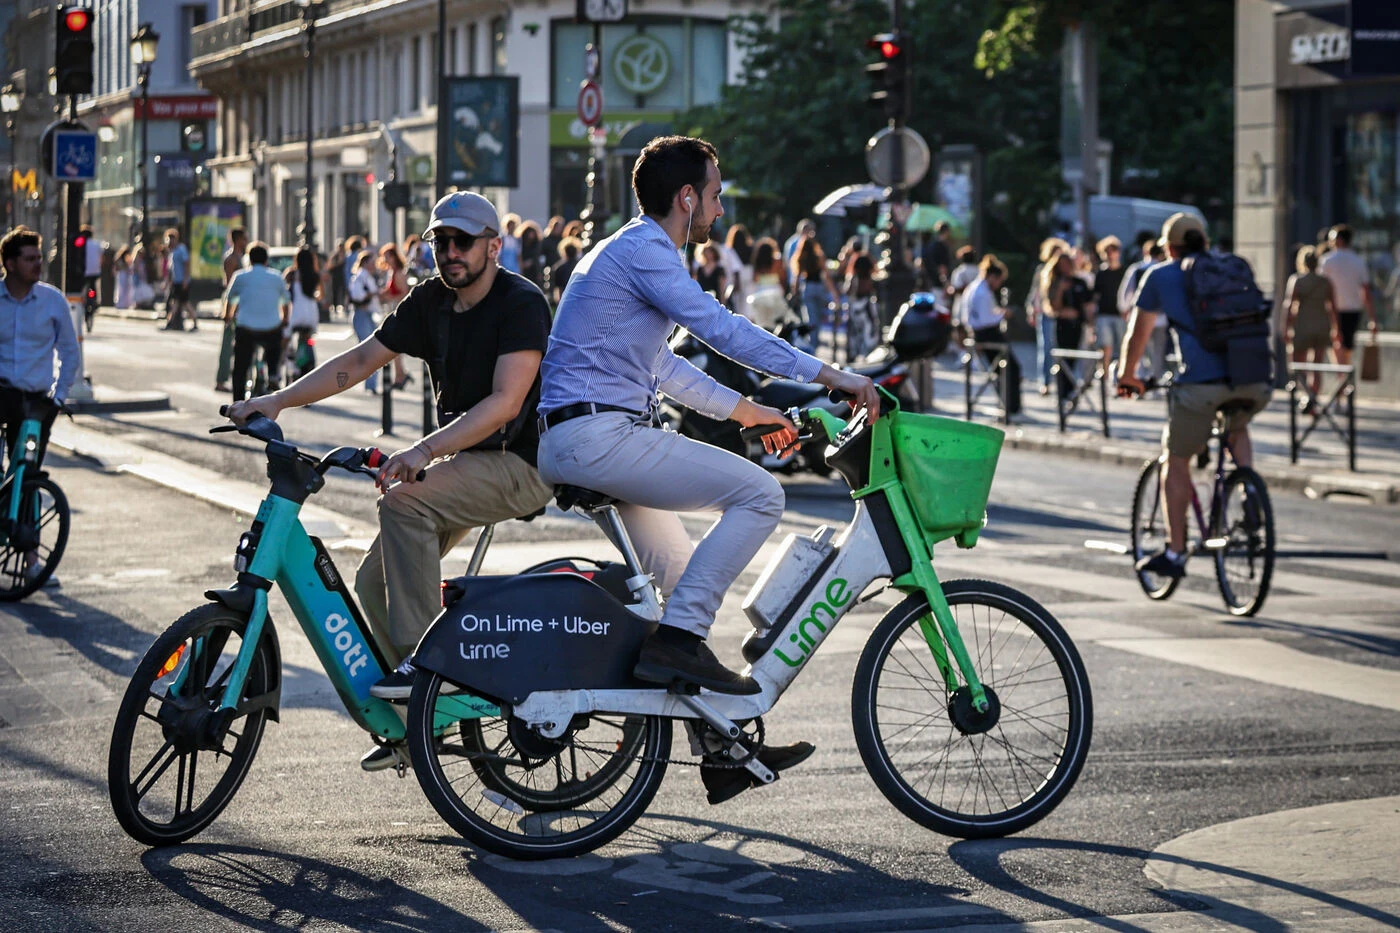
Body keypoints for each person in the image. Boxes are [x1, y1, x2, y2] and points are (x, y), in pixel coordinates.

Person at [535, 135, 879, 805]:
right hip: (598, 434)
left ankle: (720, 747)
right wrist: (832, 376)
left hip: (588, 432)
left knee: (679, 570)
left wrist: (747, 410)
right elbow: (723, 331)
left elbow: (663, 366)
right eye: (716, 195)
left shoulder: (627, 251)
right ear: (686, 197)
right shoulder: (646, 251)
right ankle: (682, 640)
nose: (720, 210)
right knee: (759, 493)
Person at [227, 192, 555, 772]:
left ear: (493, 246)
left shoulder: (520, 302)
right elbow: (357, 362)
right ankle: (417, 723)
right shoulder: (431, 301)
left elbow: (506, 403)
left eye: (462, 241)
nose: (450, 252)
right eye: (439, 242)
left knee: (403, 505)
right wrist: (275, 401)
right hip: (465, 463)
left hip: (520, 465)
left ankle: (426, 673)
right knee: (371, 578)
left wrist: (425, 450)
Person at [1117, 213, 1273, 579]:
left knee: (1176, 460)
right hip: (1254, 379)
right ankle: (1248, 491)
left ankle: (1174, 552)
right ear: (1205, 240)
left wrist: (1128, 377)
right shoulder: (1232, 266)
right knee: (1236, 426)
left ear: (1169, 247)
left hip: (1201, 386)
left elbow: (1138, 335)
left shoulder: (1161, 274)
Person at [0, 228, 80, 586]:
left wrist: (58, 399)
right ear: (10, 264)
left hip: (34, 401)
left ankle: (32, 560)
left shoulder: (52, 301)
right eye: (30, 259)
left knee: (28, 476)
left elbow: (69, 352)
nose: (38, 265)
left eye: (39, 258)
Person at [223, 242, 291, 402]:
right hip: (271, 328)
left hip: (246, 328)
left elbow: (230, 300)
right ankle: (273, 373)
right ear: (266, 260)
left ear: (249, 259)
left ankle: (237, 404)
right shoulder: (276, 276)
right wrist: (284, 320)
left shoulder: (240, 276)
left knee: (240, 368)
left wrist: (227, 317)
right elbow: (286, 303)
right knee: (274, 349)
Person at [964, 254, 1021, 416]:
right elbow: (984, 319)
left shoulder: (977, 288)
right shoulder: (981, 292)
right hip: (986, 333)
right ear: (991, 277)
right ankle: (1011, 405)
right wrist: (1003, 314)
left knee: (1002, 369)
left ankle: (1008, 403)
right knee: (1009, 368)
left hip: (982, 332)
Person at [1282, 245, 1337, 404]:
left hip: (1302, 325)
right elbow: (1332, 307)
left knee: (1299, 364)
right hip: (1322, 325)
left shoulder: (1297, 280)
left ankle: (1307, 395)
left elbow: (1289, 305)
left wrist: (1286, 327)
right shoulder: (1325, 282)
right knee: (1317, 365)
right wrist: (1336, 329)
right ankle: (1313, 397)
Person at [1318, 224, 1377, 367]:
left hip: (1332, 309)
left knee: (1337, 345)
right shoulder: (1359, 261)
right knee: (1346, 346)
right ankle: (1344, 377)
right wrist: (1372, 318)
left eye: (1332, 239)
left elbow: (1320, 288)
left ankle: (1342, 378)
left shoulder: (1327, 260)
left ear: (1339, 240)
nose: (1330, 243)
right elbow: (1366, 292)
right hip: (1353, 309)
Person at [1040, 245, 1094, 396]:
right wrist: (1060, 290)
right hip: (1061, 325)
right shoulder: (1055, 282)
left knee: (1077, 357)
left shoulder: (1079, 282)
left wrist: (1091, 324)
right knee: (1061, 358)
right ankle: (1063, 390)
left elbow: (1088, 304)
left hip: (1078, 325)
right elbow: (1052, 307)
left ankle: (1075, 387)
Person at [791, 236, 840, 355]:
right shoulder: (819, 257)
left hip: (808, 288)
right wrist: (834, 294)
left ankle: (812, 347)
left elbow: (797, 278)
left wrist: (794, 293)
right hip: (819, 289)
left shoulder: (801, 258)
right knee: (817, 319)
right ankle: (814, 345)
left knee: (811, 319)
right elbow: (827, 276)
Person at [215, 227, 249, 393]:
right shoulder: (231, 259)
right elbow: (230, 287)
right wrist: (231, 310)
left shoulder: (240, 257)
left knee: (239, 343)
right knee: (228, 343)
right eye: (244, 238)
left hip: (240, 303)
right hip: (233, 304)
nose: (246, 240)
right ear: (237, 240)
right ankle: (221, 380)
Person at [283, 246, 322, 384]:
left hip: (296, 313)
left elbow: (283, 292)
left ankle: (288, 365)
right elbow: (320, 295)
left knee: (286, 341)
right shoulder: (315, 275)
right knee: (308, 339)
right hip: (311, 315)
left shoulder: (292, 274)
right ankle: (307, 367)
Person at [347, 249, 383, 393]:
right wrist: (373, 293)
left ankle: (371, 383)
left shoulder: (366, 276)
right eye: (372, 262)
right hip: (362, 314)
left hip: (368, 314)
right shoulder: (361, 276)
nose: (374, 265)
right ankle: (370, 384)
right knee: (370, 351)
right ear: (365, 262)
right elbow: (358, 295)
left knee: (372, 351)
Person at [378, 244, 412, 390]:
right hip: (392, 309)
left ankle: (400, 375)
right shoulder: (392, 272)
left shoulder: (398, 273)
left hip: (398, 309)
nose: (385, 259)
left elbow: (404, 293)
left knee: (394, 346)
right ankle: (400, 374)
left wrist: (388, 296)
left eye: (387, 256)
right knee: (393, 347)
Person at [1093, 236, 1126, 373]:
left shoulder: (1124, 272)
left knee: (1122, 346)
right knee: (1106, 345)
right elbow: (1095, 295)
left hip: (1120, 314)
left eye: (1113, 251)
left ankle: (1121, 373)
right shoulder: (1101, 273)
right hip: (1104, 313)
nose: (1110, 254)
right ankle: (1104, 374)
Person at [163, 228, 192, 331]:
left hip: (182, 281)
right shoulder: (172, 251)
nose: (170, 241)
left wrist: (185, 279)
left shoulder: (181, 249)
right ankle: (170, 322)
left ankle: (169, 323)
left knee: (183, 303)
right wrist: (168, 282)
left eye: (172, 239)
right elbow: (170, 269)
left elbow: (186, 264)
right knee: (178, 303)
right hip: (176, 281)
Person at [919, 221, 954, 292]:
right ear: (947, 232)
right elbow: (942, 268)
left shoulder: (930, 245)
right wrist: (946, 285)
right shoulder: (941, 247)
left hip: (930, 283)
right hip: (940, 285)